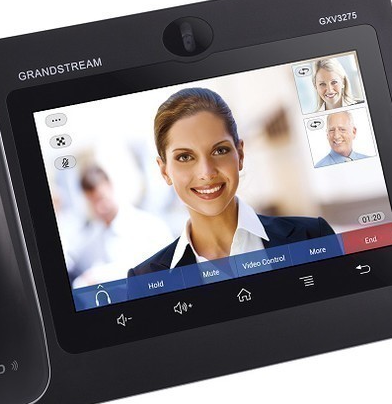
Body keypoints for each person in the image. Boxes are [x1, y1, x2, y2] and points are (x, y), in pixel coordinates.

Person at [128, 88, 334, 277]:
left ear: (240, 155)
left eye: (219, 150)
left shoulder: (312, 237)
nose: (206, 173)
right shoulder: (145, 278)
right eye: (185, 157)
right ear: (164, 171)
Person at [66, 164, 173, 286]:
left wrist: (99, 276)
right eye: (92, 202)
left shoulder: (150, 226)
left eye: (101, 198)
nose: (99, 207)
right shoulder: (91, 238)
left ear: (110, 186)